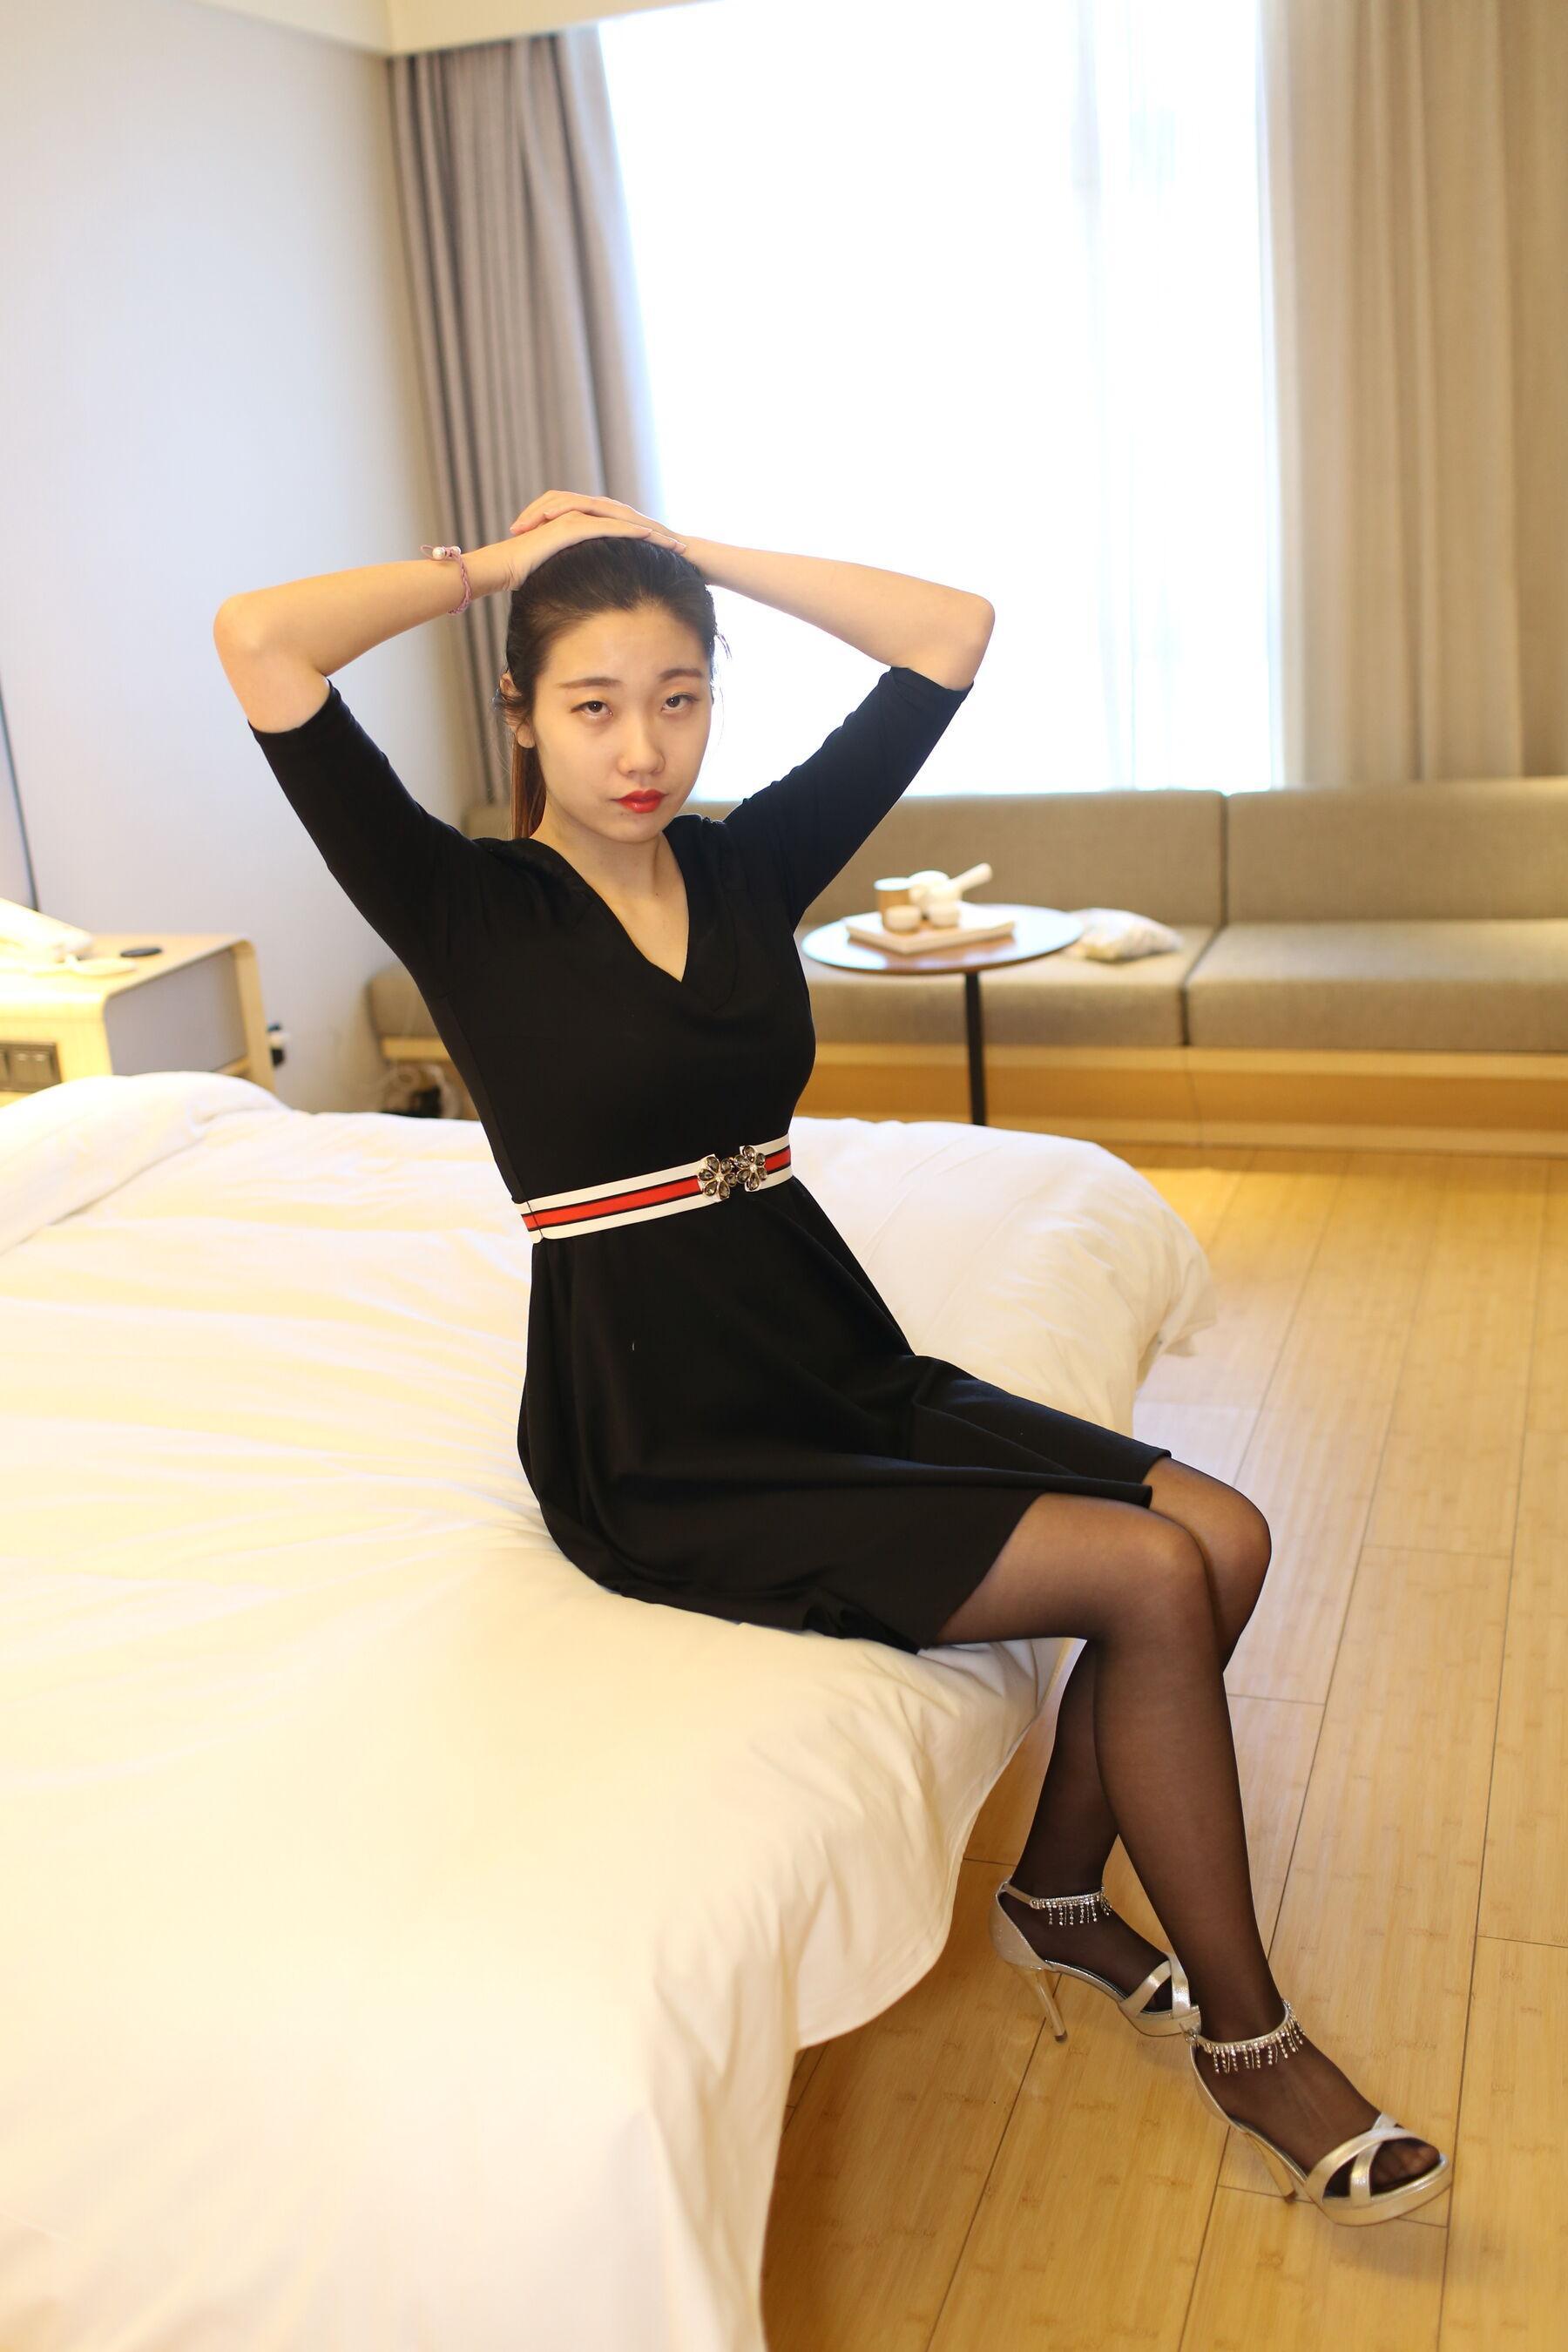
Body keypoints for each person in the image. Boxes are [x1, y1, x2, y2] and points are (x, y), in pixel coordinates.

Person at [213, 492, 1450, 2224]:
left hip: (823, 1345)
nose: (642, 747)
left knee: (1227, 1534)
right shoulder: (462, 902)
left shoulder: (744, 864)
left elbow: (949, 634)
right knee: (1152, 1573)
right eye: (592, 703)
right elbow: (260, 640)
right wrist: (501, 569)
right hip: (663, 1432)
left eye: (679, 697)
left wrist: (682, 551)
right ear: (520, 715)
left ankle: (1059, 1900)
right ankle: (1251, 2041)